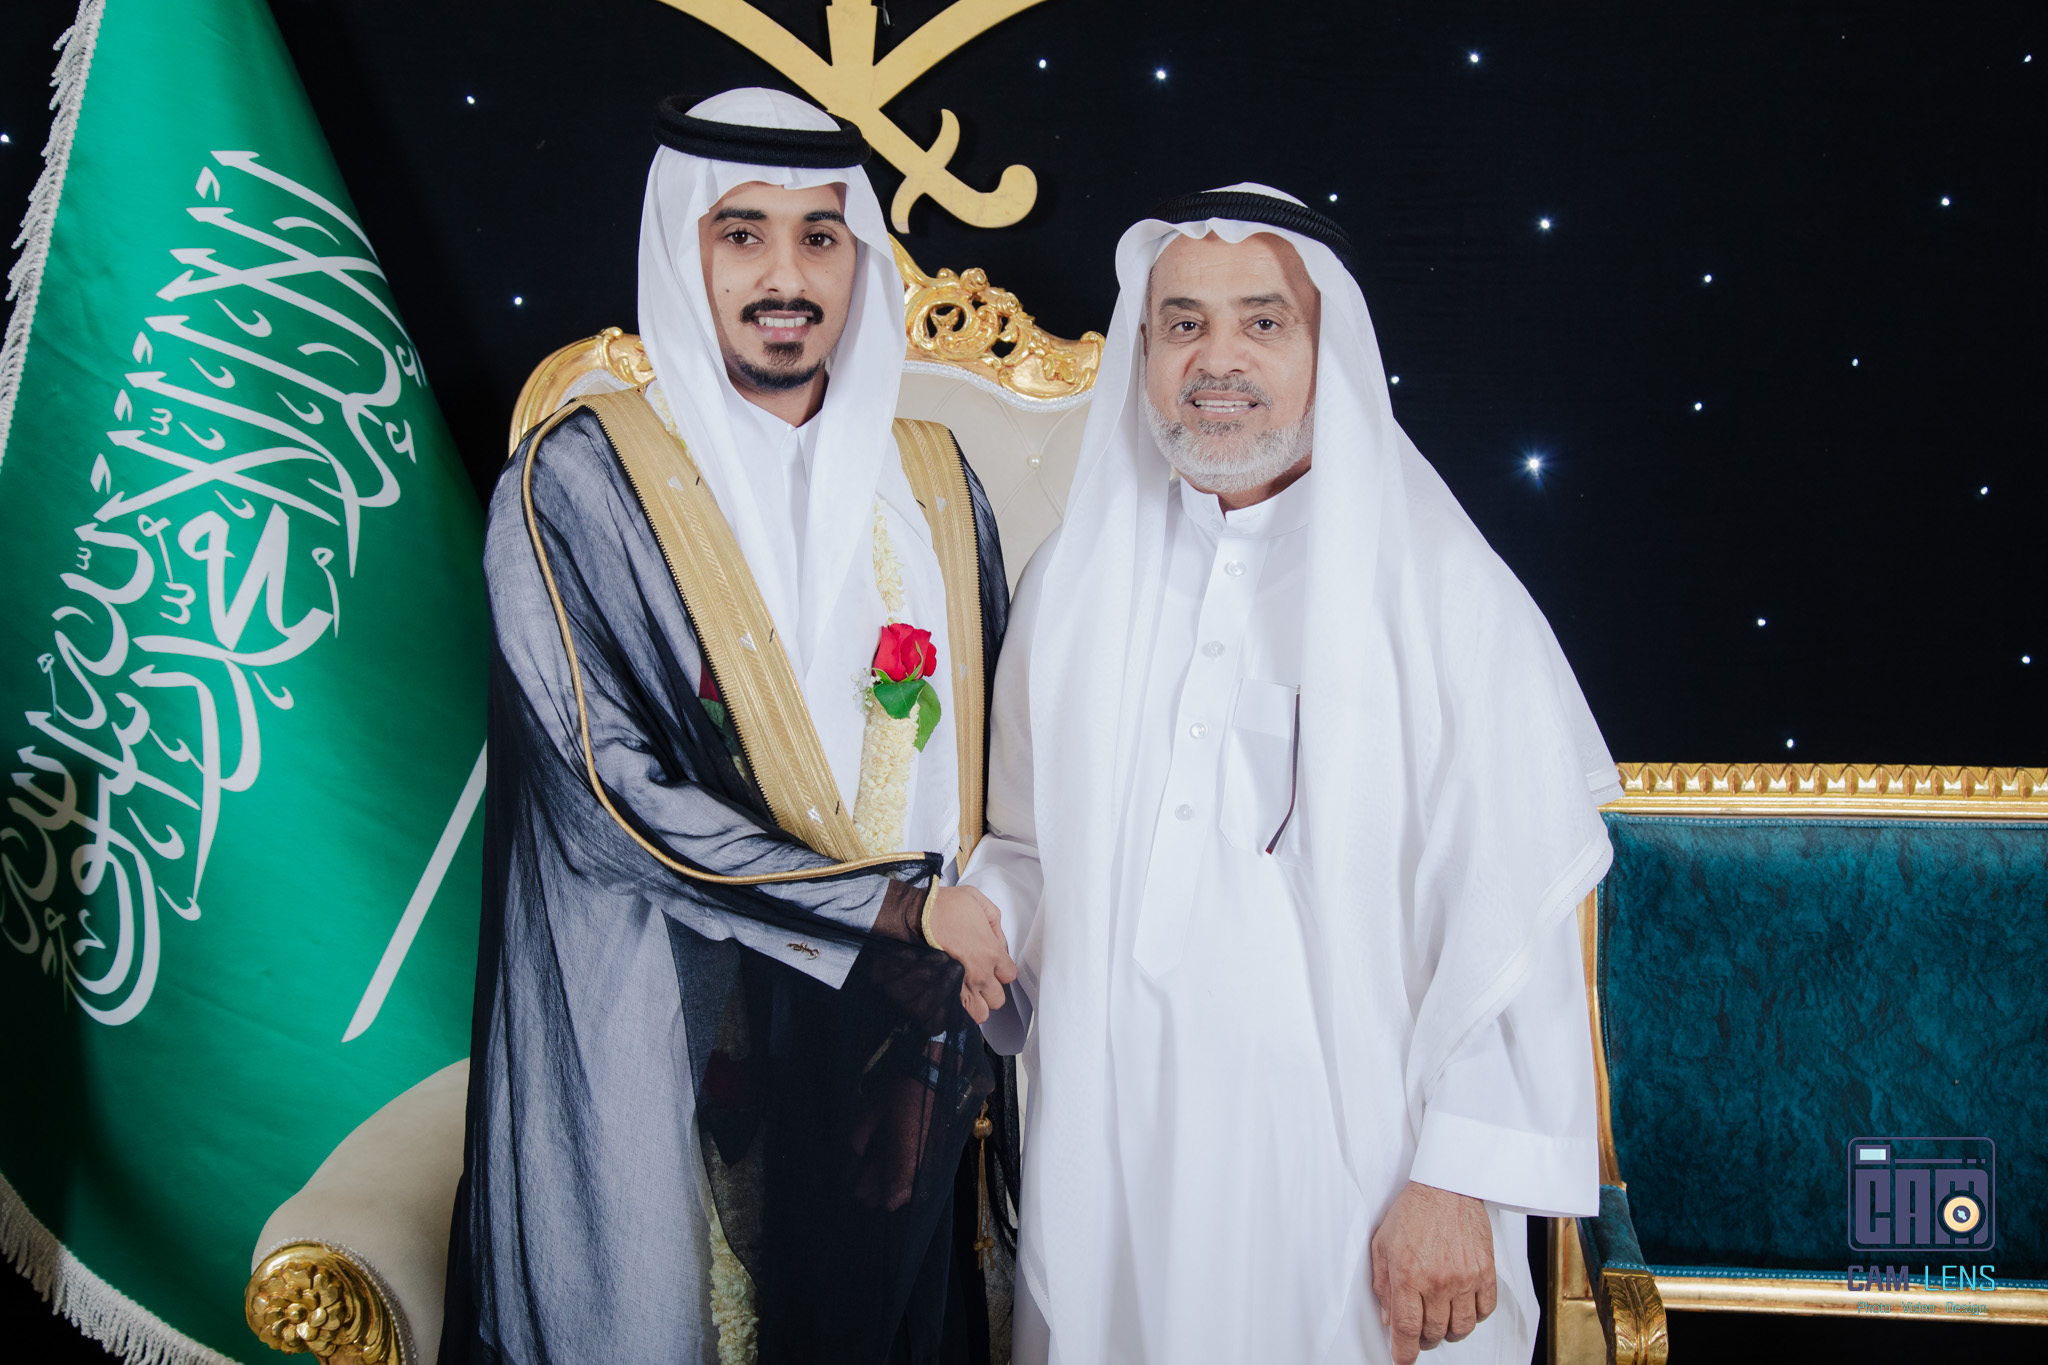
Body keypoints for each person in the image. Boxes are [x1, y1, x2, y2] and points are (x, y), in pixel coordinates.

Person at [962, 186, 1622, 1365]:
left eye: (1261, 322)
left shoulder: (1437, 589)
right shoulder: (1074, 583)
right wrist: (980, 920)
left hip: (1355, 1188)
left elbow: (1512, 919)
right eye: (1181, 324)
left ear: (1329, 349)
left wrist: (1456, 1180)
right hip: (1118, 1163)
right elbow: (1025, 848)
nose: (1215, 360)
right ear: (1143, 351)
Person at [442, 87, 1021, 1365]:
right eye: (742, 234)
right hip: (659, 1027)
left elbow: (990, 788)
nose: (785, 278)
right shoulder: (577, 484)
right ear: (681, 251)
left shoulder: (933, 479)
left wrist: (928, 1042)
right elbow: (607, 799)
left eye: (820, 237)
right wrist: (893, 911)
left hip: (894, 1047)